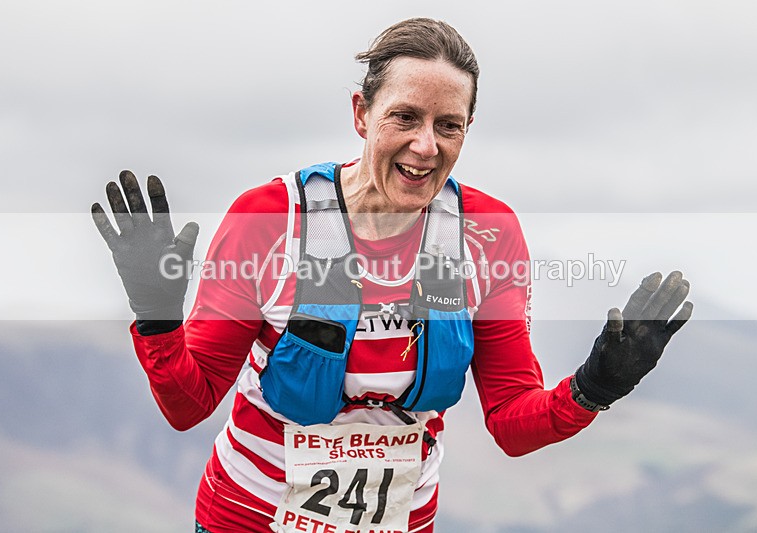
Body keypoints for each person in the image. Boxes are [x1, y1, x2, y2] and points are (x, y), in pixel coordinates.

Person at [91, 18, 693, 533]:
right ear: (361, 113)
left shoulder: (487, 233)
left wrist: (595, 387)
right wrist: (158, 318)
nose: (425, 146)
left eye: (448, 125)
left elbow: (511, 422)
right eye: (405, 117)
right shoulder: (270, 219)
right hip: (247, 518)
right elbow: (188, 404)